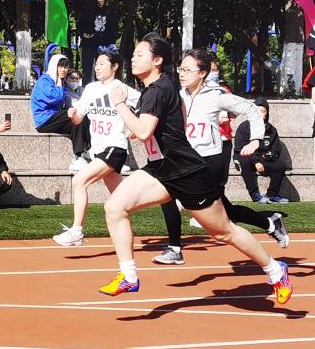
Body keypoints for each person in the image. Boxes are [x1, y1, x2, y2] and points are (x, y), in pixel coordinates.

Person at [97, 33, 291, 305]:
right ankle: (128, 276)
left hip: (188, 172)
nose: (133, 58)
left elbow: (142, 131)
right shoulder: (164, 88)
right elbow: (162, 123)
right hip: (161, 169)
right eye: (133, 54)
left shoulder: (159, 89)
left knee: (224, 232)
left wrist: (119, 104)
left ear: (157, 60)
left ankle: (275, 270)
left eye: (140, 54)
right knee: (114, 208)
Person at [161, 52, 289, 263]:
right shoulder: (178, 95)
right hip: (185, 160)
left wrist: (256, 140)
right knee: (176, 197)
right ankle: (270, 223)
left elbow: (251, 109)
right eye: (180, 69)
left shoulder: (217, 95)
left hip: (207, 162)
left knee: (218, 216)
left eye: (187, 70)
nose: (181, 74)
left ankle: (175, 248)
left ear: (202, 73)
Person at [52, 51, 137, 246]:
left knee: (79, 181)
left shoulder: (121, 88)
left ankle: (76, 231)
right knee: (122, 198)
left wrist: (135, 126)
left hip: (114, 147)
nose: (97, 67)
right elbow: (78, 119)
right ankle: (157, 207)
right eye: (96, 64)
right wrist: (72, 114)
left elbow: (145, 104)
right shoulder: (90, 89)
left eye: (102, 64)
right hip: (98, 150)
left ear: (114, 67)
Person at [31, 52, 91, 172]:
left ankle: (84, 154)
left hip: (54, 117)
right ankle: (80, 156)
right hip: (44, 120)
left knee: (78, 120)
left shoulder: (58, 81)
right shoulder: (45, 80)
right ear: (54, 66)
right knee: (76, 116)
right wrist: (59, 83)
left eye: (65, 67)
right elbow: (56, 98)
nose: (63, 70)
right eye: (60, 66)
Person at [235, 96, 290, 204]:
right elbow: (240, 148)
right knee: (244, 161)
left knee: (280, 165)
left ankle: (272, 194)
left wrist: (270, 155)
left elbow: (276, 148)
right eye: (258, 111)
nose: (260, 114)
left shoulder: (271, 129)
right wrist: (256, 162)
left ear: (267, 113)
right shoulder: (244, 127)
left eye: (263, 111)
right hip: (247, 157)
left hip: (263, 157)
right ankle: (255, 194)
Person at [78, 0, 118, 82]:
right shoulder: (89, 8)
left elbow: (114, 28)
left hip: (104, 45)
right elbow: (81, 24)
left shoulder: (110, 10)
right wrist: (83, 34)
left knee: (101, 68)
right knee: (86, 68)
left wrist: (111, 43)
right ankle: (86, 87)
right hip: (89, 43)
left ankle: (101, 87)